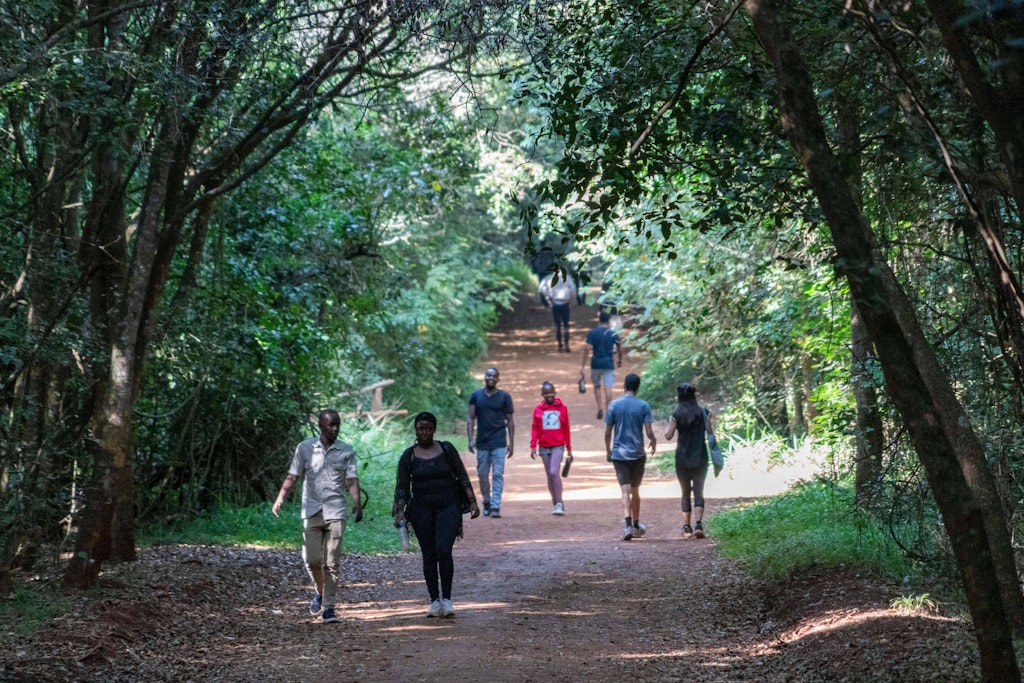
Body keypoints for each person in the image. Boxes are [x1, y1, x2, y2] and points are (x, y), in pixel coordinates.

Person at [272, 409, 362, 624]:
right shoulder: (304, 448)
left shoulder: (346, 451)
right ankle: (319, 592)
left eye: (338, 424)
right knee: (311, 560)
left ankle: (329, 608)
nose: (335, 429)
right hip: (311, 510)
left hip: (336, 511)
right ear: (321, 426)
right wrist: (280, 497)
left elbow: (351, 480)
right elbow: (293, 475)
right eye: (331, 425)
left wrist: (357, 504)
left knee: (332, 563)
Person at [393, 412, 480, 618]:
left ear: (434, 429)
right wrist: (399, 511)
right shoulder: (409, 456)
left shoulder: (446, 449)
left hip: (448, 507)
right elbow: (402, 487)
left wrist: (472, 501)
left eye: (428, 428)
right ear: (415, 430)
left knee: (443, 550)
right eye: (420, 428)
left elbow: (462, 475)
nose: (424, 432)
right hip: (421, 510)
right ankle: (434, 600)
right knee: (429, 554)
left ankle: (447, 600)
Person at [604, 373, 657, 541]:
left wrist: (608, 450)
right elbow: (648, 432)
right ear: (638, 387)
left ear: (624, 386)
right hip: (637, 454)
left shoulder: (614, 405)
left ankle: (627, 526)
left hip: (619, 454)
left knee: (625, 490)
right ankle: (636, 525)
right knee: (635, 490)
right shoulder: (643, 406)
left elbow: (607, 432)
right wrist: (654, 440)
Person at [664, 382, 718, 539]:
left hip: (682, 458)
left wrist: (671, 424)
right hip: (700, 456)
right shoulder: (702, 412)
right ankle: (699, 524)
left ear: (679, 396)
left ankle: (687, 527)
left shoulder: (676, 414)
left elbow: (668, 436)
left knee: (685, 492)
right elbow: (710, 431)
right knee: (699, 490)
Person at [467, 366, 515, 518]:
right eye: (489, 375)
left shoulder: (504, 397)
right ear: (485, 377)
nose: (491, 378)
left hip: (499, 441)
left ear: (498, 379)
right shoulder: (476, 396)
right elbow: (471, 418)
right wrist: (470, 439)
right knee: (482, 474)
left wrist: (511, 442)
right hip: (482, 442)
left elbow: (510, 420)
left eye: (494, 376)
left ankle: (495, 506)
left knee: (497, 474)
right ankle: (486, 501)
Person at [529, 381, 573, 515]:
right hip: (544, 446)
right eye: (546, 393)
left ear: (555, 393)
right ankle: (555, 502)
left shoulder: (562, 408)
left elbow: (566, 428)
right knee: (549, 475)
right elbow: (535, 428)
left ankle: (559, 502)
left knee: (554, 472)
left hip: (558, 445)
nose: (549, 395)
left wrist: (569, 448)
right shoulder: (538, 410)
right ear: (542, 394)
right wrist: (533, 446)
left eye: (551, 392)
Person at [581, 311, 623, 420]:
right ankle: (608, 409)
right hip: (609, 363)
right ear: (609, 321)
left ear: (599, 320)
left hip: (596, 363)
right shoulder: (612, 333)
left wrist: (583, 365)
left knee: (597, 386)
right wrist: (619, 360)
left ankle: (600, 407)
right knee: (608, 387)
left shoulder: (593, 332)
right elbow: (619, 347)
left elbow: (587, 349)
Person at [538, 272, 578, 352]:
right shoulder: (567, 277)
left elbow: (541, 289)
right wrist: (572, 299)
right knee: (566, 325)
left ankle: (560, 345)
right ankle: (566, 344)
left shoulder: (548, 278)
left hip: (555, 303)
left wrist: (548, 299)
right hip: (565, 303)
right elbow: (573, 289)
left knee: (558, 326)